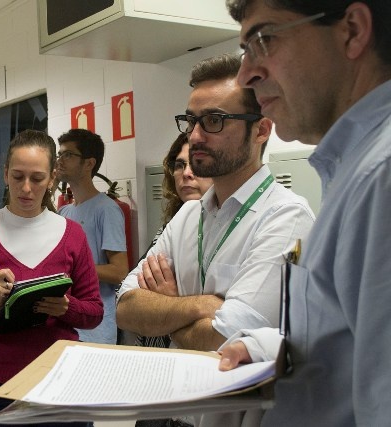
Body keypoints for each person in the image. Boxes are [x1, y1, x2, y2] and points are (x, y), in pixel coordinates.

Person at [116, 54, 315, 426]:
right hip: (167, 413)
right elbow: (126, 308)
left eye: (214, 121)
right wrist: (203, 305)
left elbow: (223, 338)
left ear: (261, 130)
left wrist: (168, 307)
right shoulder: (189, 215)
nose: (193, 136)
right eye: (191, 121)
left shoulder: (286, 218)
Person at [216, 1, 391, 425]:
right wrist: (270, 348)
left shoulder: (381, 177)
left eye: (263, 40)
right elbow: (353, 336)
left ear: (351, 30)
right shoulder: (351, 169)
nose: (246, 74)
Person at [0, 129, 103, 426]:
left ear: (52, 178)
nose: (26, 188)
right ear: (5, 174)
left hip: (60, 385)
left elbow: (94, 312)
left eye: (37, 178)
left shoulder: (72, 235)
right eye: (17, 177)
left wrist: (67, 307)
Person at [136, 132, 213, 350]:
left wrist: (170, 302)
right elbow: (127, 292)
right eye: (179, 165)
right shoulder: (168, 227)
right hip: (158, 346)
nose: (186, 173)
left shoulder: (227, 230)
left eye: (198, 164)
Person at [56, 128, 128, 345]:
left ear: (89, 163)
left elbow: (119, 271)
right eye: (60, 154)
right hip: (68, 320)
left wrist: (75, 269)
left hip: (96, 328)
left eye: (68, 155)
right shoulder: (64, 212)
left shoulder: (107, 209)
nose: (60, 160)